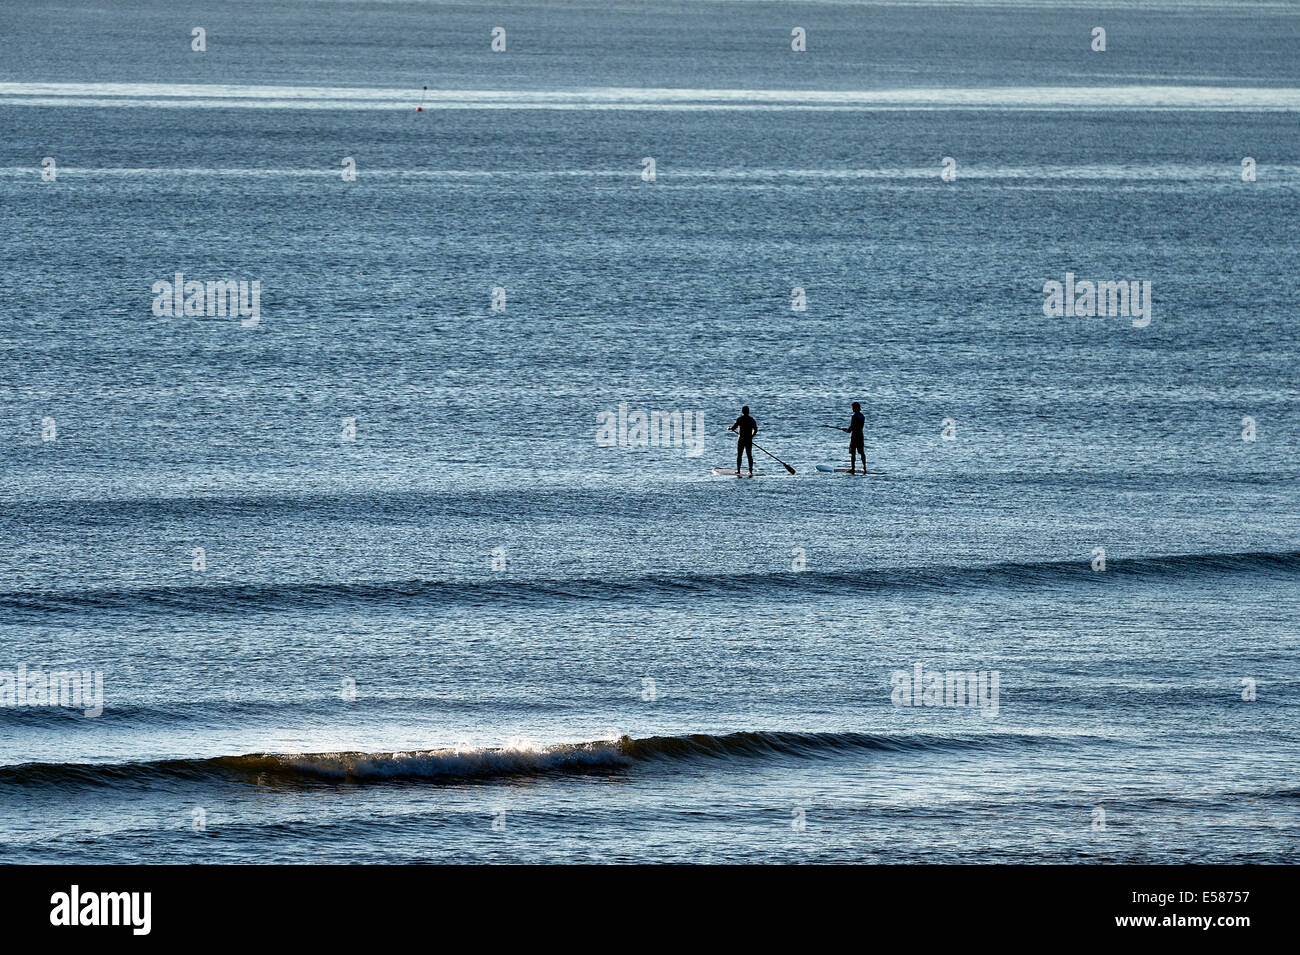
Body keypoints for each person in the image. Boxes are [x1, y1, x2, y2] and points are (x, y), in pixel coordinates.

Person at [837, 401, 866, 474]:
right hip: (860, 435)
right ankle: (864, 467)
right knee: (861, 452)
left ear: (856, 408)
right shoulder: (862, 416)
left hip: (854, 436)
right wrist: (848, 429)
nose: (852, 409)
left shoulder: (854, 416)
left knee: (853, 453)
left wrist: (846, 430)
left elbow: (852, 428)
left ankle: (853, 468)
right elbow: (857, 426)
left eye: (852, 408)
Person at [729, 406, 758, 477]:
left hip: (741, 440)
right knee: (749, 455)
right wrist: (751, 436)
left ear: (742, 412)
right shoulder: (751, 420)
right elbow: (755, 430)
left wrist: (729, 428)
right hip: (748, 440)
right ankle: (750, 471)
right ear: (748, 412)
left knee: (739, 455)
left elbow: (733, 428)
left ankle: (738, 470)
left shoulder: (739, 419)